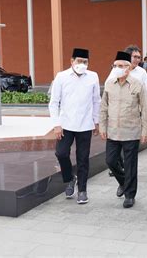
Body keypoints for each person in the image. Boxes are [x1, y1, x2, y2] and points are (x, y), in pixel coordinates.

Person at [48, 48, 101, 204]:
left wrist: (96, 121)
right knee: (61, 153)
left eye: (85, 62)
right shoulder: (61, 77)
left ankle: (83, 190)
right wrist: (56, 124)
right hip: (65, 124)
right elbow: (54, 103)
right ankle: (70, 177)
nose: (82, 64)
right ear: (72, 61)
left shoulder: (93, 77)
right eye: (79, 61)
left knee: (83, 158)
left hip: (85, 124)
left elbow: (96, 100)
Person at [100, 51, 147, 208]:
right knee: (110, 161)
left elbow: (145, 109)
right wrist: (102, 126)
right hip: (113, 131)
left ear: (128, 68)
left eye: (121, 66)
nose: (118, 68)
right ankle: (123, 182)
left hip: (131, 130)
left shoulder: (137, 84)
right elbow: (103, 108)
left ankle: (129, 195)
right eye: (116, 66)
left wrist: (145, 131)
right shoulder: (109, 84)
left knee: (130, 165)